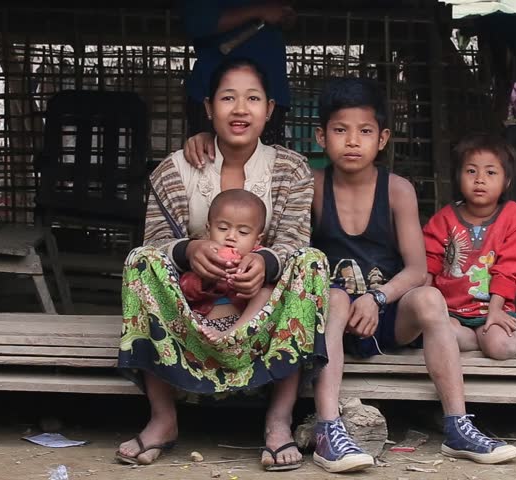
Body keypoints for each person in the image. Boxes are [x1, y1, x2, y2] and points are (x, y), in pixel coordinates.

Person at [117, 58, 372, 473]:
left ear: (269, 109)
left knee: (310, 263)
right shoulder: (172, 170)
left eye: (252, 98)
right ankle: (163, 419)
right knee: (140, 261)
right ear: (208, 107)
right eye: (228, 98)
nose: (240, 109)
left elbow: (293, 241)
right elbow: (155, 243)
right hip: (191, 316)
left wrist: (266, 262)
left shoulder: (291, 169)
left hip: (262, 319)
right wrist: (188, 251)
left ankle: (278, 420)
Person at [310, 78, 516, 465]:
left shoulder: (397, 190)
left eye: (365, 131)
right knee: (335, 298)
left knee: (428, 296)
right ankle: (327, 428)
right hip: (333, 317)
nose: (353, 141)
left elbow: (417, 268)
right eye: (341, 130)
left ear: (383, 137)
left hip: (387, 314)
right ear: (321, 136)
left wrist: (377, 297)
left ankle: (457, 425)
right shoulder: (312, 186)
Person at [423, 133, 516, 359]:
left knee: (500, 348)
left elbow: (510, 270)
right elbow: (429, 263)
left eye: (490, 172)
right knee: (438, 335)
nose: (479, 179)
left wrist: (496, 311)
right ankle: (489, 340)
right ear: (459, 176)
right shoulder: (444, 218)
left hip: (492, 309)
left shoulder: (514, 216)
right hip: (450, 312)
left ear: (506, 181)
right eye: (471, 171)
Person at [181, 0, 294, 147]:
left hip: (271, 90)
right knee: (208, 161)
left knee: (267, 162)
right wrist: (260, 10)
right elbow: (198, 22)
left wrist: (283, 16)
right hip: (212, 89)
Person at [178, 189, 273, 343]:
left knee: (266, 292)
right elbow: (186, 289)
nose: (231, 237)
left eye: (243, 232)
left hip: (244, 325)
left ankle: (233, 333)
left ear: (257, 239)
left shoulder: (258, 259)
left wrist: (246, 280)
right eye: (222, 228)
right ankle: (201, 331)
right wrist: (205, 279)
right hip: (204, 324)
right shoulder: (204, 255)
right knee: (178, 305)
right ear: (209, 230)